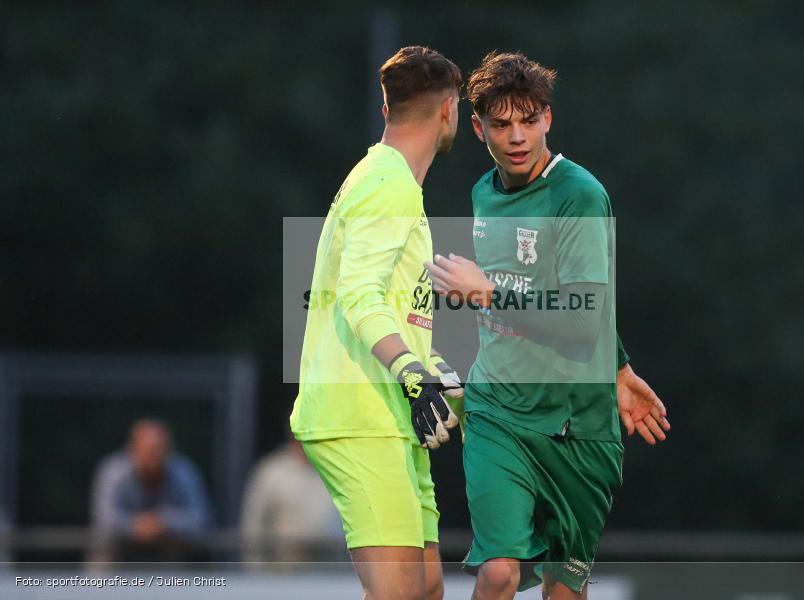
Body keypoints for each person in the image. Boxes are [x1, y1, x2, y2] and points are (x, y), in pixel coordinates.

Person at [424, 51, 671, 599]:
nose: (517, 136)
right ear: (477, 127)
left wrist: (614, 364)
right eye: (502, 123)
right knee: (497, 572)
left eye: (529, 120)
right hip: (498, 409)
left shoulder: (579, 196)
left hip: (578, 426)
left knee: (563, 590)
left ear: (548, 119)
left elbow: (583, 317)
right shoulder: (483, 191)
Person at [289, 46, 463, 600]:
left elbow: (390, 307)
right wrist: (415, 376)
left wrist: (434, 370)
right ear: (448, 110)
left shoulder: (394, 182)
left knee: (427, 588)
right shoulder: (386, 181)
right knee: (400, 596)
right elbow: (359, 297)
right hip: (359, 413)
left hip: (390, 415)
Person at [89, 418, 211, 562]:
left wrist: (163, 522)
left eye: (161, 449)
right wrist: (135, 526)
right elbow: (104, 518)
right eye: (149, 450)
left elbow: (200, 519)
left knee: (176, 547)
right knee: (103, 548)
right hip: (117, 550)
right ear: (132, 449)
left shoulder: (184, 472)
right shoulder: (112, 471)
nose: (156, 456)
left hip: (166, 548)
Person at [239, 436, 343, 566]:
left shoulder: (338, 471)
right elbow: (252, 523)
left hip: (326, 572)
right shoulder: (271, 471)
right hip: (279, 572)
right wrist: (254, 568)